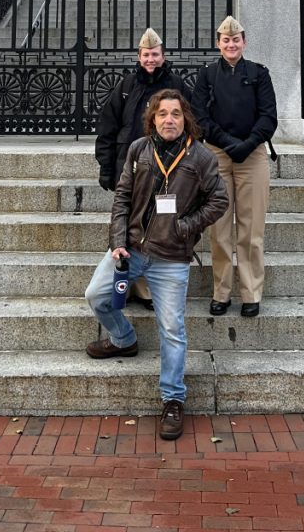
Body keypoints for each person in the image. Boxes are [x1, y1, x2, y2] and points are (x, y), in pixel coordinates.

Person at [85, 89, 227, 441]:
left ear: (185, 118)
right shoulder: (139, 149)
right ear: (153, 119)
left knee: (172, 329)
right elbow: (122, 197)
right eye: (162, 114)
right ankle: (123, 338)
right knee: (96, 296)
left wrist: (185, 226)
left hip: (171, 257)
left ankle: (173, 399)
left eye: (175, 114)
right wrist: (118, 242)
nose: (169, 120)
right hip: (132, 248)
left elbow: (220, 200)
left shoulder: (201, 157)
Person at [94, 27, 188, 308]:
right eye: (146, 54)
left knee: (157, 226)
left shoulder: (176, 85)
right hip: (129, 166)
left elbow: (192, 122)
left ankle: (149, 289)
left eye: (155, 54)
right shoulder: (125, 86)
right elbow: (107, 127)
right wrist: (106, 166)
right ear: (139, 56)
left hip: (165, 168)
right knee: (128, 225)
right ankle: (128, 284)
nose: (151, 59)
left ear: (163, 56)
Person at [191, 16, 277, 318]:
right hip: (217, 154)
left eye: (236, 39)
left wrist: (249, 142)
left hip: (252, 155)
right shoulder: (207, 75)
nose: (231, 44)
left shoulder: (258, 74)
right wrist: (227, 142)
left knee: (252, 229)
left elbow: (269, 116)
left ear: (244, 42)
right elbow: (199, 117)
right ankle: (221, 292)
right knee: (220, 228)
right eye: (225, 40)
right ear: (218, 43)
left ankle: (251, 292)